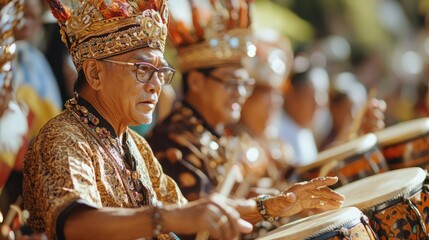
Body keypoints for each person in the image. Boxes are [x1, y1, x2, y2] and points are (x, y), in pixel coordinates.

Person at [23, 0, 344, 240]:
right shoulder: (62, 138)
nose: (156, 84)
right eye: (142, 70)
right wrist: (167, 218)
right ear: (94, 72)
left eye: (161, 72)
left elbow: (192, 211)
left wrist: (273, 206)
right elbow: (76, 223)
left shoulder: (134, 146)